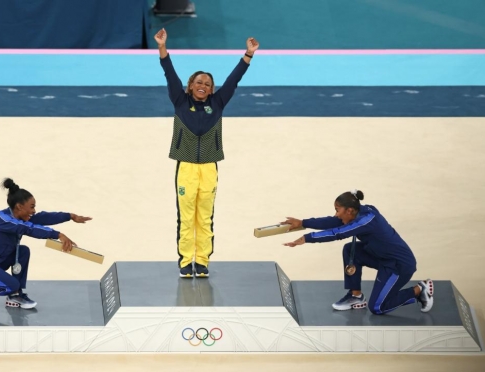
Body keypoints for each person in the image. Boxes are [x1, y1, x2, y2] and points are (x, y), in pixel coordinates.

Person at [154, 28, 259, 278]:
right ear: (190, 86)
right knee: (186, 216)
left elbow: (233, 80)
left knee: (205, 217)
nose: (203, 86)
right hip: (186, 168)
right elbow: (170, 74)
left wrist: (248, 55)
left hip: (210, 167)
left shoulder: (218, 103)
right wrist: (162, 48)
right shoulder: (180, 101)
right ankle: (184, 261)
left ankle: (201, 261)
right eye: (198, 82)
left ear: (212, 90)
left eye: (207, 84)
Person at [282, 190, 434, 315]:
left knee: (377, 308)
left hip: (399, 265)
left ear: (349, 210)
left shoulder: (367, 220)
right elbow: (332, 222)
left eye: (337, 210)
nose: (336, 214)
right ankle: (356, 296)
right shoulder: (356, 213)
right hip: (381, 257)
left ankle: (419, 290)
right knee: (350, 250)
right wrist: (303, 223)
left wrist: (307, 238)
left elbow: (337, 233)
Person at [0, 178, 91, 310]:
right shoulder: (2, 218)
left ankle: (15, 296)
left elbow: (42, 217)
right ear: (19, 207)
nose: (34, 211)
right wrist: (59, 235)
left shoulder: (21, 216)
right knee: (11, 286)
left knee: (23, 251)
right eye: (32, 207)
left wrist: (70, 216)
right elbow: (28, 228)